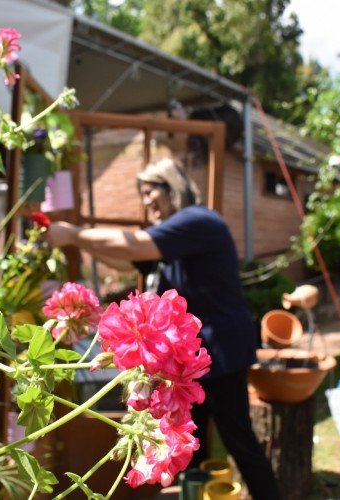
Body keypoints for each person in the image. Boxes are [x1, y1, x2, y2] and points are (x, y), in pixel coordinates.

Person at [47, 158, 281, 499]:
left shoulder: (197, 220)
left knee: (238, 440)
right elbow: (126, 259)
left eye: (150, 191)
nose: (145, 202)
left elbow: (133, 246)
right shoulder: (177, 237)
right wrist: (82, 243)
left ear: (173, 187)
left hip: (221, 352)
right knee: (188, 443)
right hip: (193, 359)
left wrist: (72, 233)